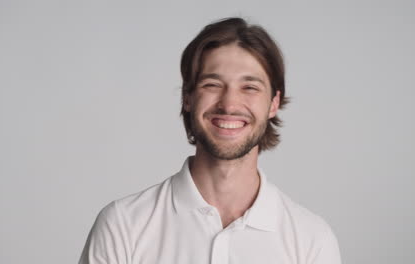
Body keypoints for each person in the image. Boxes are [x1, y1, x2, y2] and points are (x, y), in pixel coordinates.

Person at [78, 17, 341, 264]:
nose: (229, 104)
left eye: (249, 87)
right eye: (212, 85)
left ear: (273, 103)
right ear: (188, 97)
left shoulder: (311, 240)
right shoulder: (123, 225)